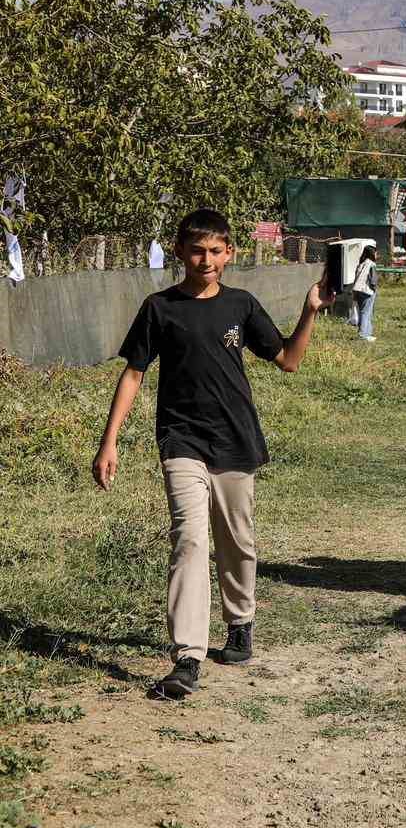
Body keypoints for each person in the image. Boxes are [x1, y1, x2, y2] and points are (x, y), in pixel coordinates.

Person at [91, 208, 330, 700]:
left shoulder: (241, 305)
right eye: (197, 250)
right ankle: (187, 656)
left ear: (230, 254)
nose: (206, 260)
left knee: (237, 539)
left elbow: (288, 360)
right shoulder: (160, 308)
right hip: (180, 440)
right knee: (190, 541)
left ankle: (240, 620)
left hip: (234, 439)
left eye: (215, 251)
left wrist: (310, 310)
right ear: (179, 251)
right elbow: (134, 374)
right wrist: (109, 439)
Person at [350, 245, 378, 342]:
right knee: (367, 312)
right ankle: (363, 334)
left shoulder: (361, 264)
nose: (377, 254)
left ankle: (366, 333)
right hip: (367, 291)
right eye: (375, 252)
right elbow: (373, 280)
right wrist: (374, 289)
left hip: (357, 290)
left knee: (362, 312)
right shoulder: (372, 264)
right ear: (372, 254)